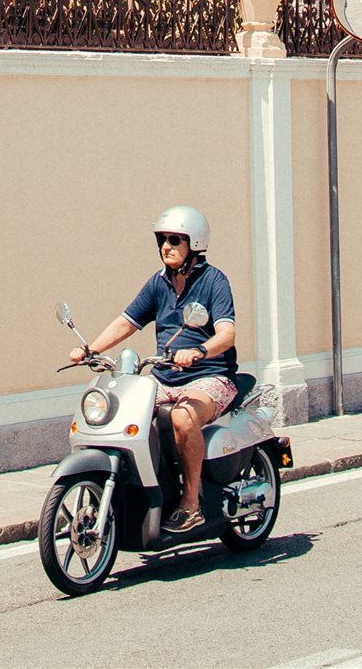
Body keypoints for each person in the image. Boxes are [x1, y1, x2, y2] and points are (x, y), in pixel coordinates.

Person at [69, 202, 237, 533]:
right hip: (165, 377)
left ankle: (191, 505)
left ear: (194, 244)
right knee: (122, 413)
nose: (166, 247)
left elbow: (227, 334)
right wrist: (91, 348)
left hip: (211, 376)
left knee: (181, 417)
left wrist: (200, 350)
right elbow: (127, 322)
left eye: (175, 240)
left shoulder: (214, 281)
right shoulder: (158, 283)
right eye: (162, 239)